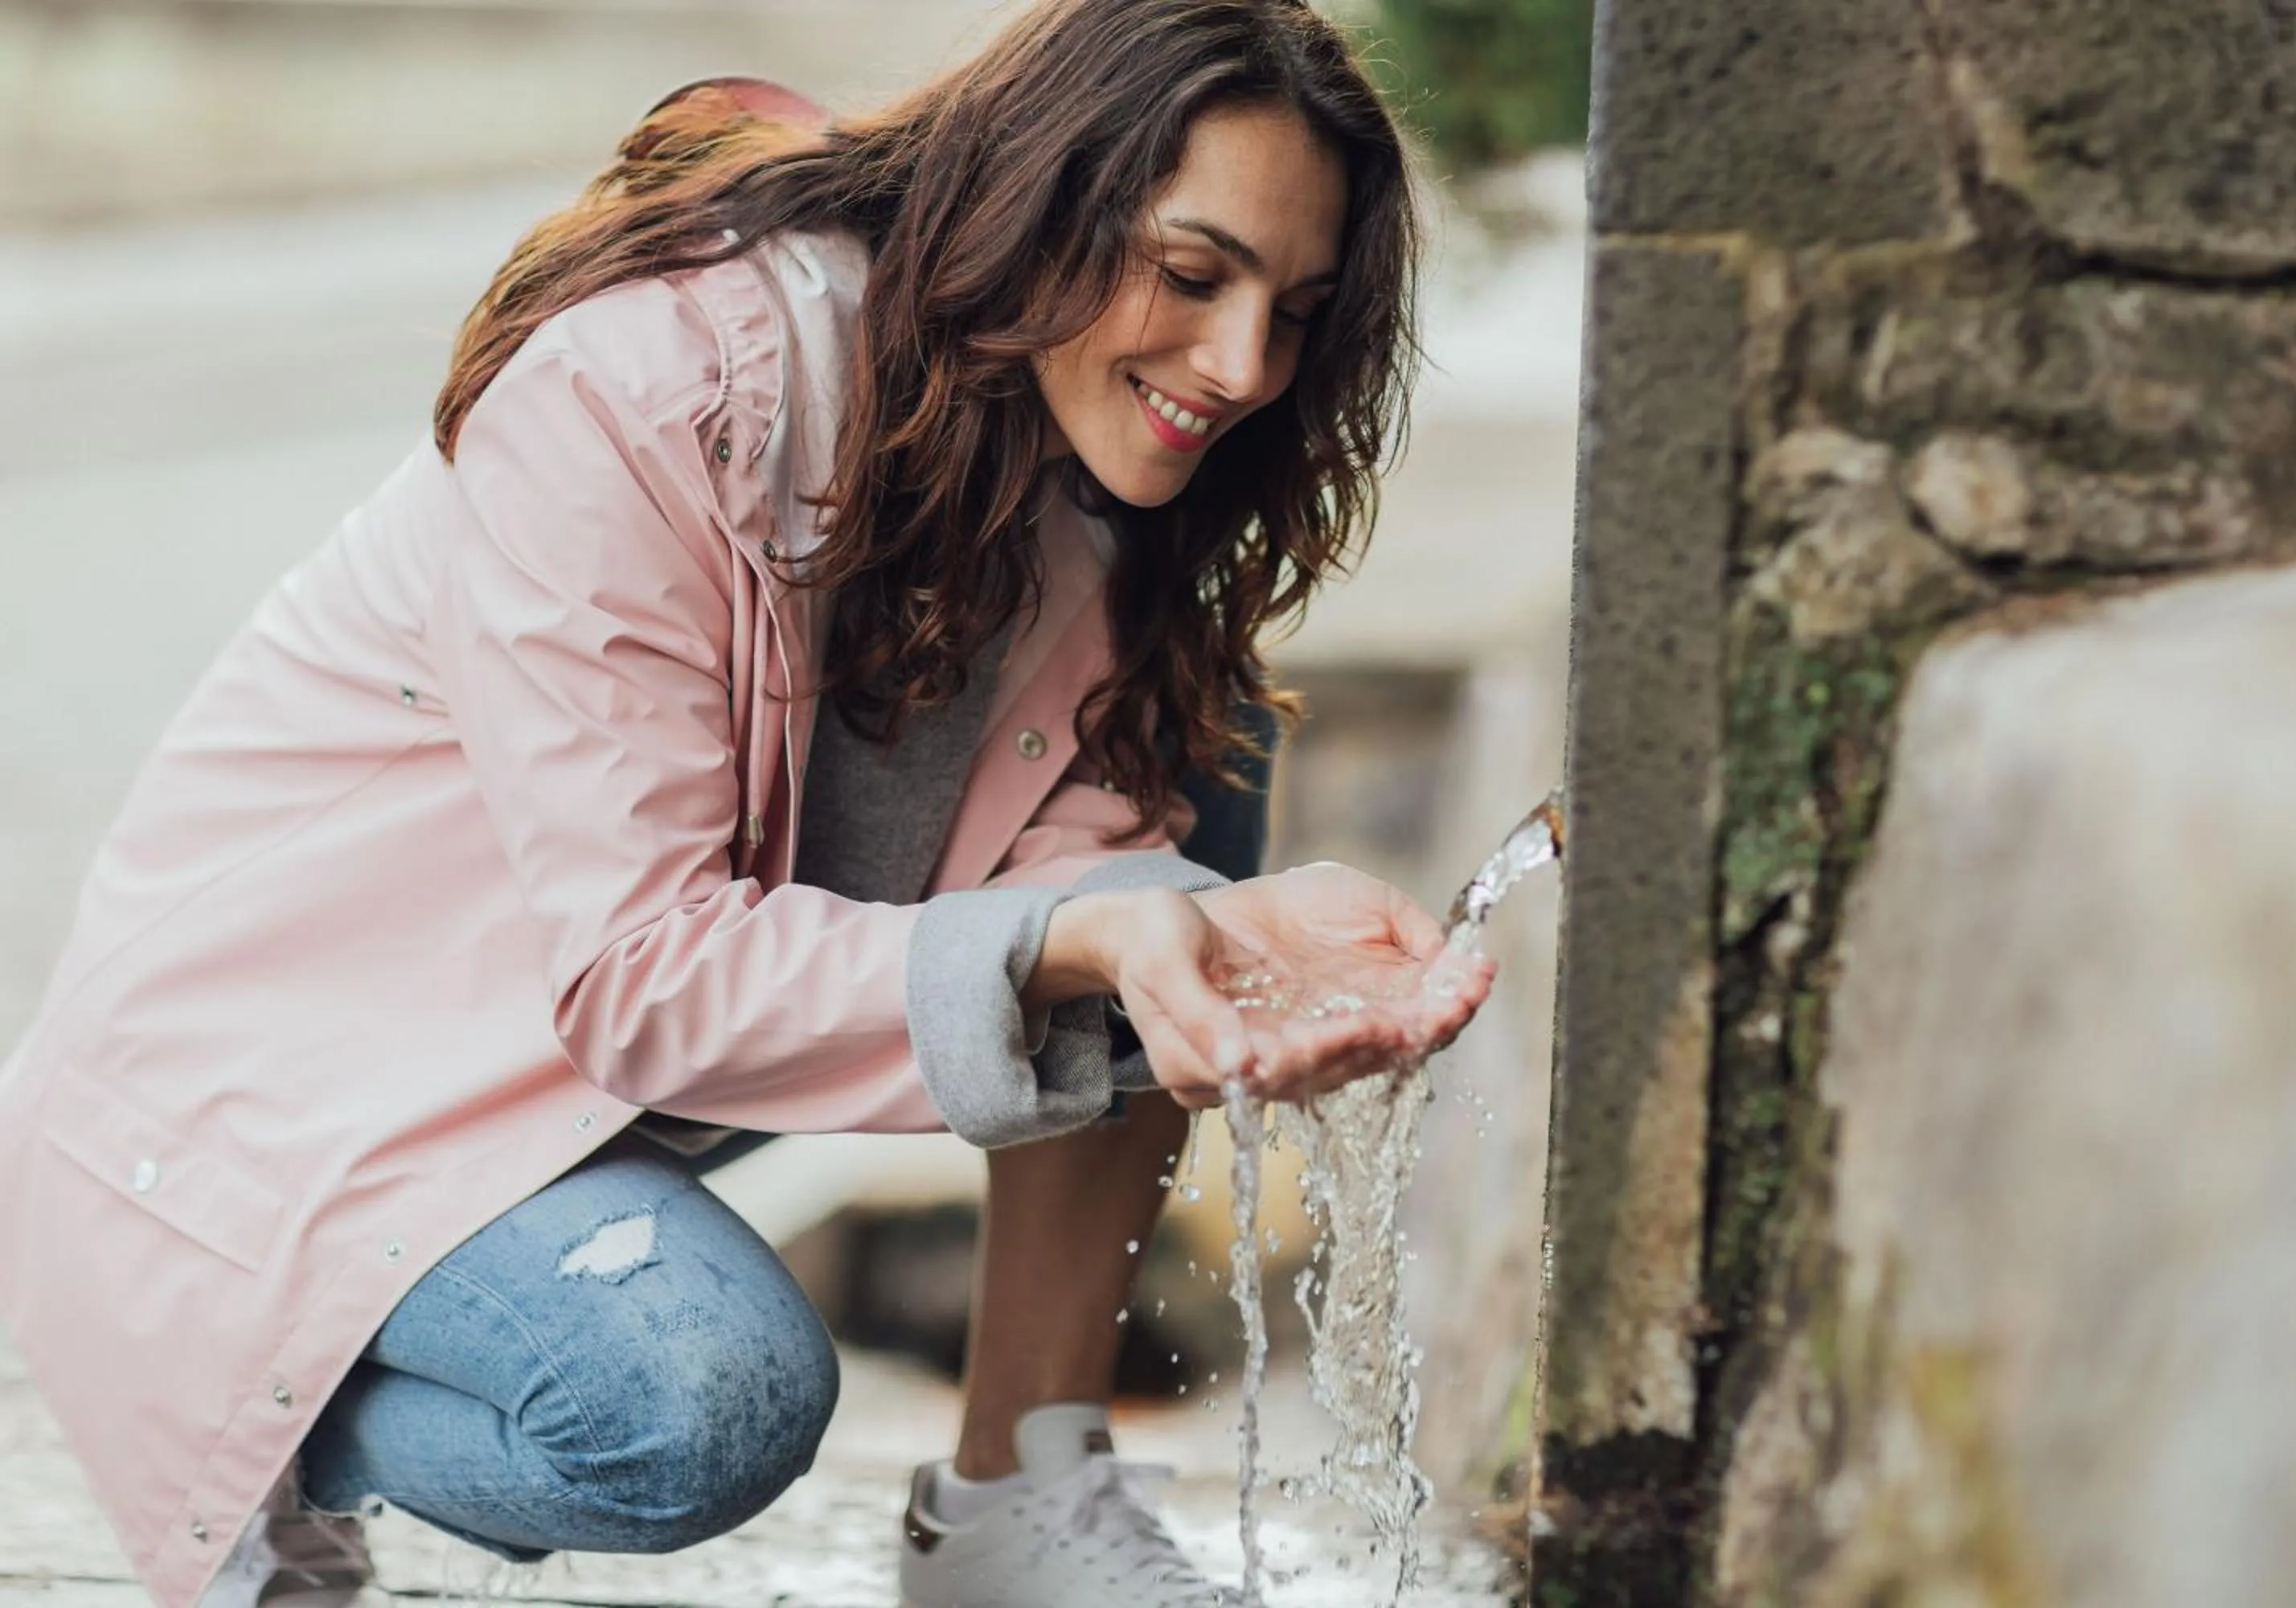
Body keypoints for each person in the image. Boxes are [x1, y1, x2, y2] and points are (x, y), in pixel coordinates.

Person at [0, 2, 1494, 1605]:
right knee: (702, 1397)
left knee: (1194, 786)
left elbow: (1072, 869)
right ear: (1038, 196)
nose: (1244, 364)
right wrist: (1092, 932)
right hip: (274, 1095)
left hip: (550, 1090)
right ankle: (251, 1379)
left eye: (1297, 308)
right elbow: (646, 974)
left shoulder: (1079, 455)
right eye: (1190, 275)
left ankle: (1016, 1501)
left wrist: (1222, 929)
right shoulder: (646, 387)